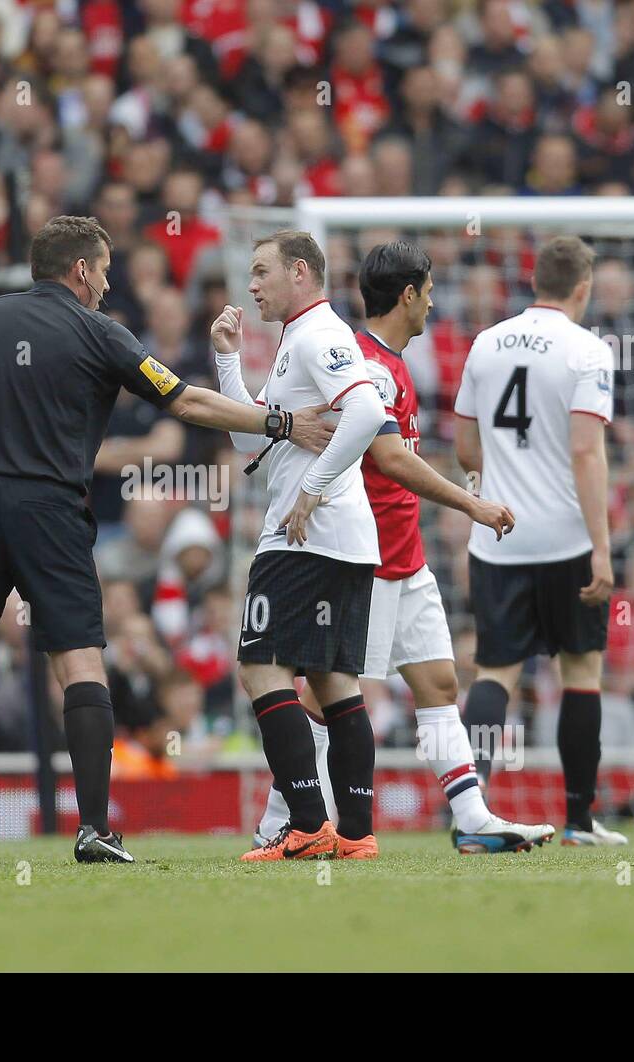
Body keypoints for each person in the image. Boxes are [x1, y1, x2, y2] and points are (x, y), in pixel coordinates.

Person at [0, 215, 333, 867]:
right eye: (103, 269)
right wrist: (277, 420)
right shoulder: (99, 332)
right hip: (48, 508)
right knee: (78, 662)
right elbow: (185, 402)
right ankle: (94, 830)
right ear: (81, 269)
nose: (107, 283)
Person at [243, 241, 556, 854]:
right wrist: (472, 504)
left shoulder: (390, 360)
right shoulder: (366, 363)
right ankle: (282, 819)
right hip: (371, 558)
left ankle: (470, 818)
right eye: (430, 290)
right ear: (408, 294)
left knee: (438, 684)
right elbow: (386, 456)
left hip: (406, 555)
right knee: (327, 693)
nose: (435, 301)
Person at [208, 229, 387, 862]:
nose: (251, 285)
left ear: (301, 273)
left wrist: (310, 488)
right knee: (336, 682)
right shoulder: (296, 343)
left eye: (261, 272)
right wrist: (229, 360)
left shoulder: (320, 336)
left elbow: (366, 414)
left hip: (303, 536)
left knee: (261, 665)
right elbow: (250, 443)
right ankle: (357, 832)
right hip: (341, 539)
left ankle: (307, 824)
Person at [455, 235, 627, 846]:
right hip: (566, 539)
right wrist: (602, 548)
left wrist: (488, 487)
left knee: (495, 672)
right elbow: (586, 450)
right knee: (580, 671)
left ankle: (471, 813)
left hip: (498, 535)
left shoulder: (485, 343)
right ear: (582, 288)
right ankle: (580, 819)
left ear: (534, 283)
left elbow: (467, 446)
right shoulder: (588, 351)